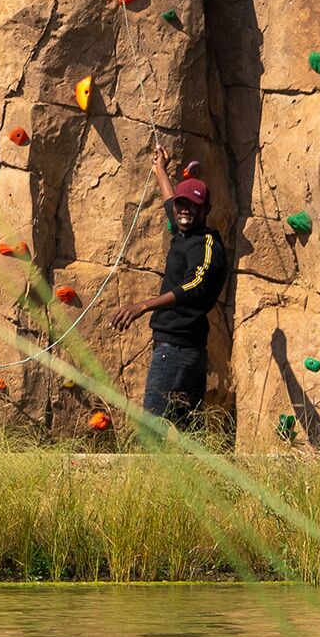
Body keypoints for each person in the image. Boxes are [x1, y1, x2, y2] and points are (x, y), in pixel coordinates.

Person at [110, 148, 229, 429]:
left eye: (192, 206)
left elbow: (193, 286)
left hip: (179, 351)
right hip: (179, 348)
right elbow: (169, 202)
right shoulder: (184, 229)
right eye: (181, 204)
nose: (184, 209)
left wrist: (143, 306)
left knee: (153, 431)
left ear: (206, 210)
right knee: (186, 434)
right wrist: (160, 169)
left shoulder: (205, 246)